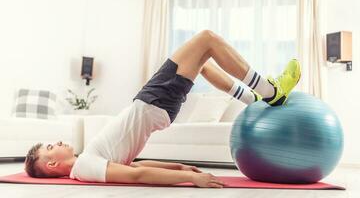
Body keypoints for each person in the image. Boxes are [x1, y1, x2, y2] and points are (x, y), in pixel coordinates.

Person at [24, 30, 301, 188]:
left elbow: (134, 165)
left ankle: (252, 100)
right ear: (52, 164)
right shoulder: (84, 167)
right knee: (206, 39)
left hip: (154, 103)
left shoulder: (88, 161)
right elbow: (136, 176)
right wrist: (191, 180)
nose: (57, 142)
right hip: (153, 101)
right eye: (50, 147)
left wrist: (179, 166)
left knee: (202, 61)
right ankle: (270, 92)